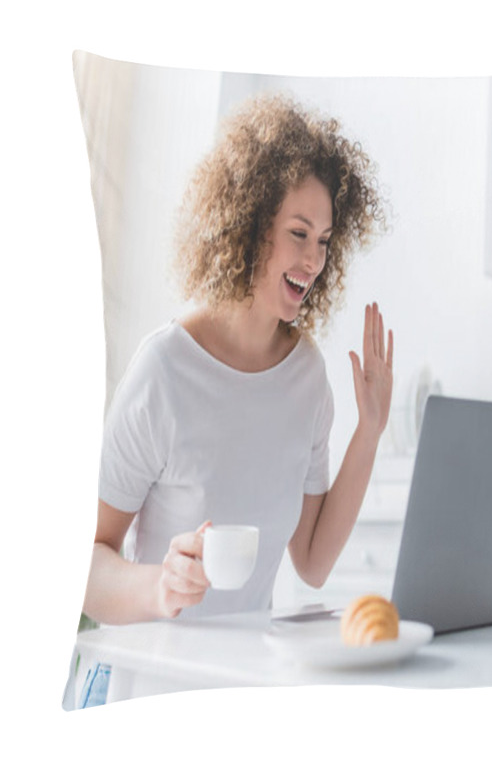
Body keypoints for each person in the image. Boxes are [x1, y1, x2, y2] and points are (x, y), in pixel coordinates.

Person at [81, 93, 392, 627]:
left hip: (248, 685)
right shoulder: (164, 370)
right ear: (249, 225)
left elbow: (313, 563)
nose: (314, 260)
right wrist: (162, 585)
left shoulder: (307, 379)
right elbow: (85, 566)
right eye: (299, 233)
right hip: (158, 685)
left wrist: (370, 429)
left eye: (324, 240)